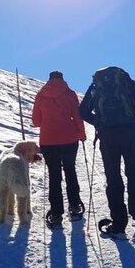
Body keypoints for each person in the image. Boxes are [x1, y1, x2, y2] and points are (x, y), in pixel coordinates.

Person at [79, 66, 135, 235]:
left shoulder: (96, 86)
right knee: (132, 172)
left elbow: (83, 111)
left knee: (113, 176)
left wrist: (99, 123)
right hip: (129, 133)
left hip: (107, 135)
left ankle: (118, 223)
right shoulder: (129, 83)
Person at [31, 70, 86, 225]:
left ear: (49, 79)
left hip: (48, 141)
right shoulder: (70, 94)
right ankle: (75, 206)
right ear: (62, 79)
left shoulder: (41, 95)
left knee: (54, 175)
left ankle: (56, 213)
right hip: (69, 139)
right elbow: (77, 116)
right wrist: (81, 135)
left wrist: (49, 122)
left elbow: (36, 121)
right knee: (70, 171)